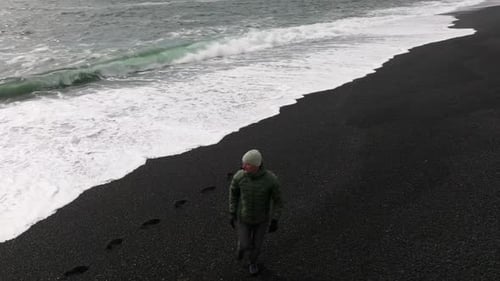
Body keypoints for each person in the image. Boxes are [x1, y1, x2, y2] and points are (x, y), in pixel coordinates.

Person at [229, 149, 283, 275]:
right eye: (243, 163)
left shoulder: (271, 180)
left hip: (262, 220)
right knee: (245, 244)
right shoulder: (239, 176)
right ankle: (241, 247)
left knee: (256, 247)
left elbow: (278, 201)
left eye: (247, 164)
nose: (243, 166)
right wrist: (232, 213)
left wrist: (275, 219)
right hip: (243, 218)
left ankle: (252, 263)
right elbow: (233, 194)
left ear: (256, 166)